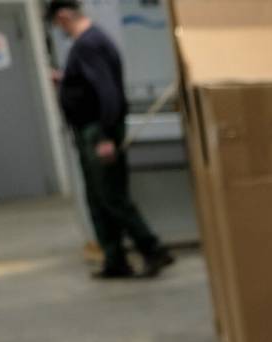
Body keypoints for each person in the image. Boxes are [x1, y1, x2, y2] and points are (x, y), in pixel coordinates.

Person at [45, 0, 171, 279]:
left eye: (57, 24)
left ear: (64, 16)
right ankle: (115, 260)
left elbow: (107, 92)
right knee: (98, 198)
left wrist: (104, 136)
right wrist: (67, 81)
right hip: (92, 131)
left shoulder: (89, 44)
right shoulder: (89, 44)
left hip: (97, 132)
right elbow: (91, 86)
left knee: (111, 196)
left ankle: (152, 248)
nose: (60, 30)